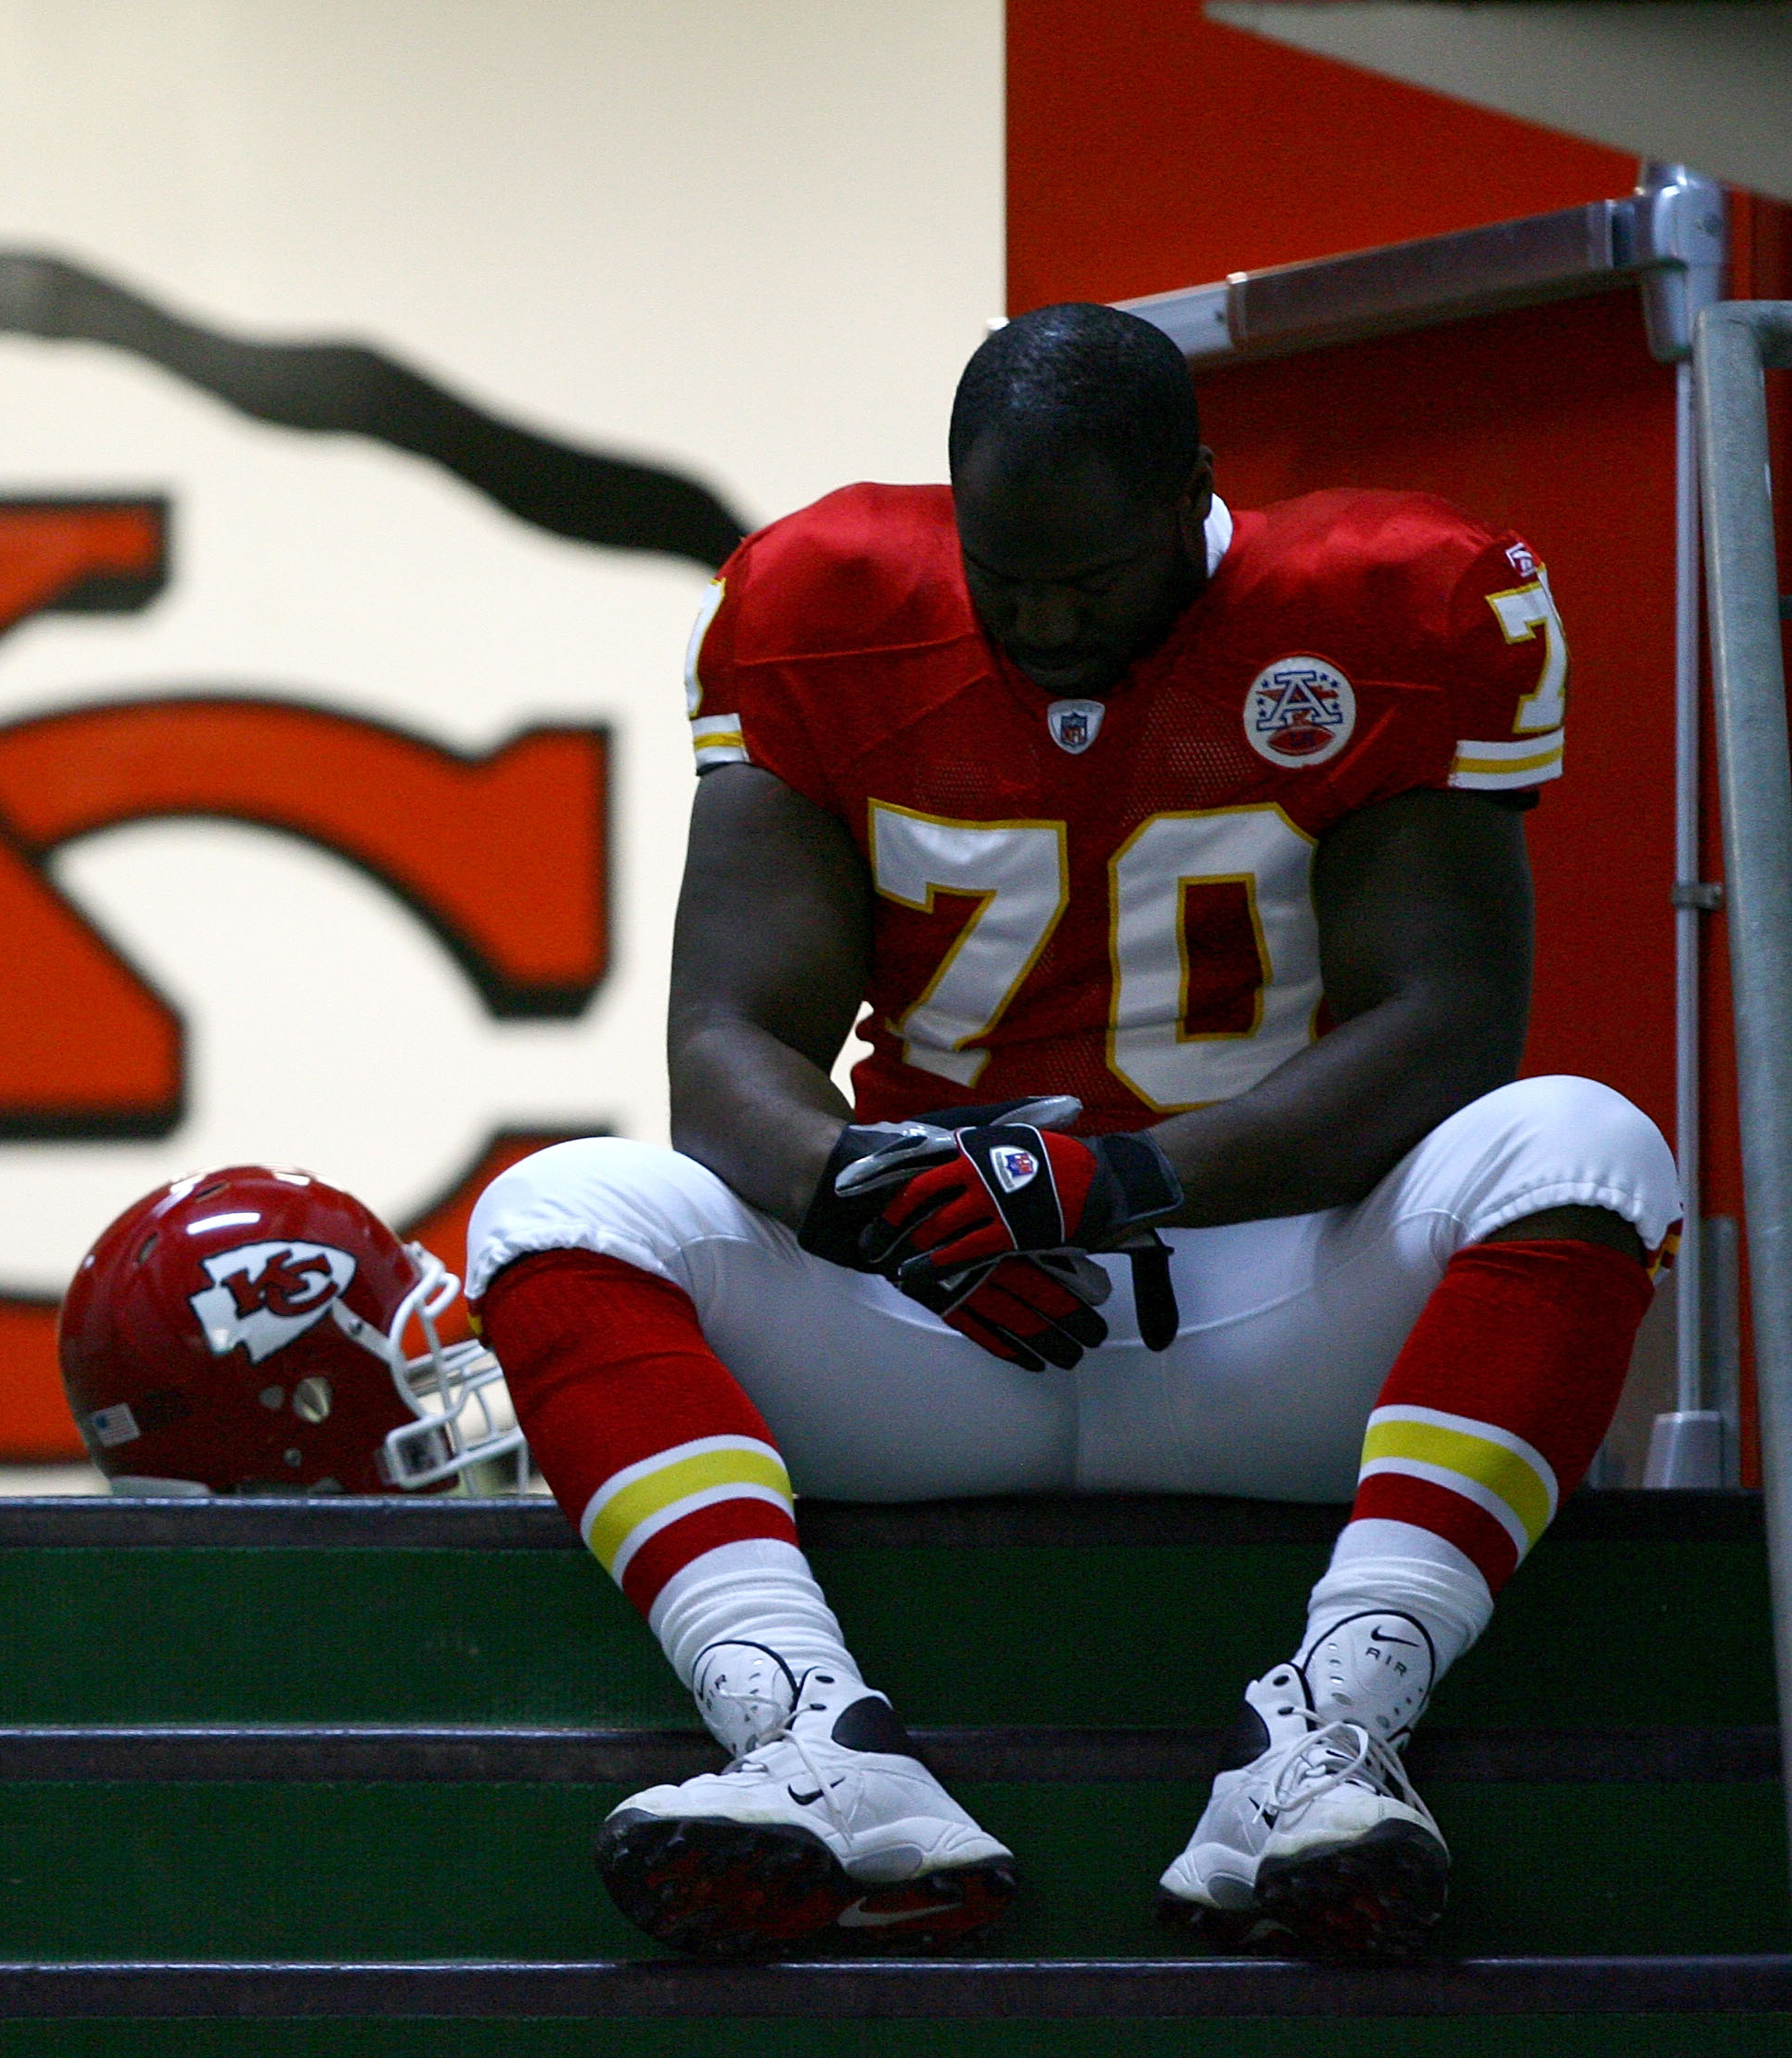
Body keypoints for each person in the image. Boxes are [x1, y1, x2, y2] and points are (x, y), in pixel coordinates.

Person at [464, 302, 1674, 1960]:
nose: (1041, 619)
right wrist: (865, 1194)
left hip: (1269, 1301)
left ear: (1194, 494)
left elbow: (1444, 1028)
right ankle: (811, 1743)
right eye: (1003, 576)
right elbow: (726, 1043)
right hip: (946, 1316)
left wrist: (1125, 1177)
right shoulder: (815, 607)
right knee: (557, 1206)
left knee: (1584, 1144)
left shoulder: (1391, 607)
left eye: (1087, 580)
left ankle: (1329, 1740)